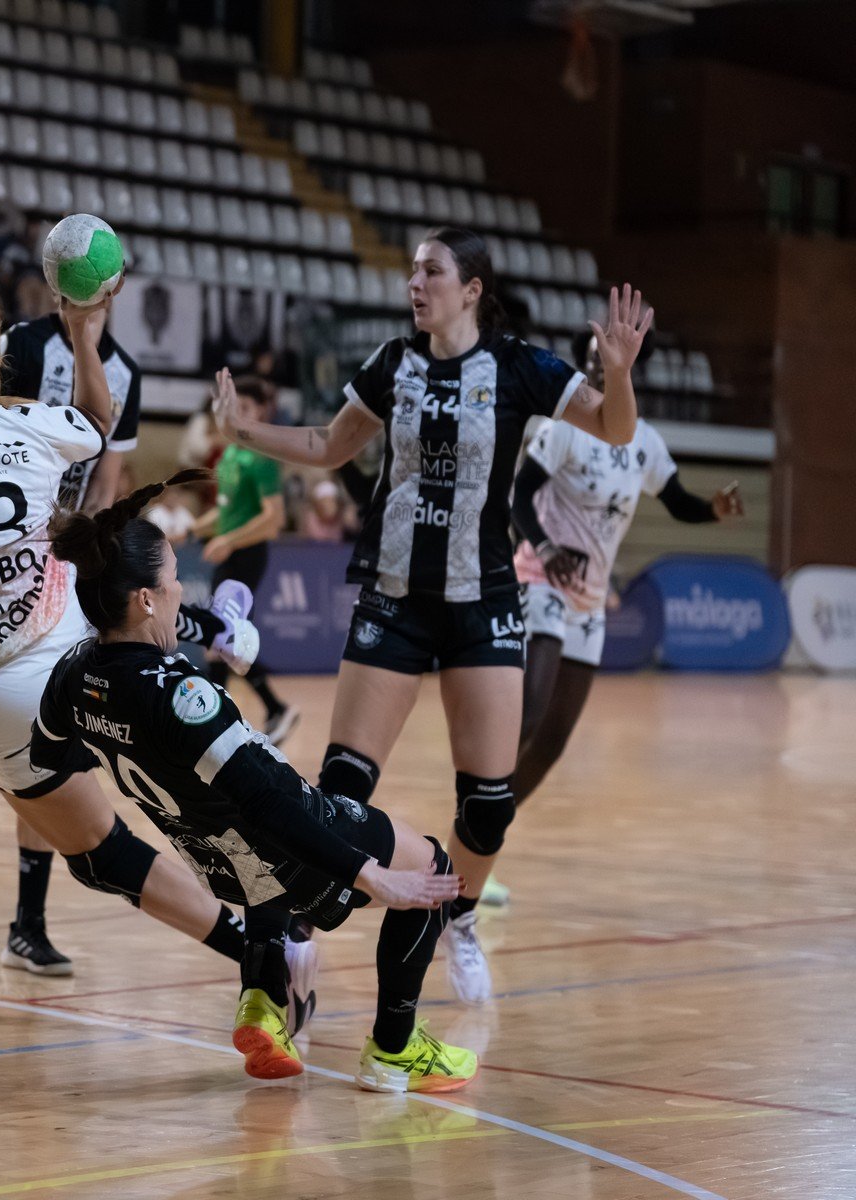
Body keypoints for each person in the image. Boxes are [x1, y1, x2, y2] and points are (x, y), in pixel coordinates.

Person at [0, 281, 301, 1012]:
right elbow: (101, 421)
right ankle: (211, 629)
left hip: (5, 691)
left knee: (101, 852)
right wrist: (83, 335)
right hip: (76, 643)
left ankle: (255, 955)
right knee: (179, 787)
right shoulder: (23, 421)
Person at [213, 227, 654, 1006]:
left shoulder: (519, 366)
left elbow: (617, 430)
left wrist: (618, 374)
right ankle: (296, 942)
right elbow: (326, 443)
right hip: (394, 595)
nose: (415, 283)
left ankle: (460, 916)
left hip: (482, 600)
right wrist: (244, 431)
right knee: (341, 791)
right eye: (413, 271)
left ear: (472, 287)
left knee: (487, 801)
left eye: (432, 271)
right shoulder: (392, 363)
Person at [39, 476, 476, 1090]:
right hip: (289, 838)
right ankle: (395, 1049)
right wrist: (371, 875)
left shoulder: (71, 676)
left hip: (215, 860)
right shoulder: (182, 696)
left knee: (251, 858)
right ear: (143, 599)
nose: (176, 588)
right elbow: (269, 804)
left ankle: (262, 999)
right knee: (429, 867)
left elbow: (44, 752)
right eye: (170, 579)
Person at [0, 285, 259, 979]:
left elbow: (105, 469)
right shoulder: (20, 343)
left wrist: (92, 551)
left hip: (67, 560)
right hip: (7, 566)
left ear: (115, 289)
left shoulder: (125, 368)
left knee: (55, 742)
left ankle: (29, 921)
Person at [507, 333, 744, 847]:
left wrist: (712, 510)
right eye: (592, 362)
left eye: (608, 364)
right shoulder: (563, 428)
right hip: (541, 577)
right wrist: (546, 549)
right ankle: (470, 817)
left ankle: (484, 834)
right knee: (528, 714)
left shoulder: (646, 442)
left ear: (628, 370)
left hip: (589, 602)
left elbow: (677, 501)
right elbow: (520, 497)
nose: (597, 372)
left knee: (552, 743)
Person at [195, 375, 297, 745]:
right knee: (221, 641)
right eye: (234, 407)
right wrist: (189, 527)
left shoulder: (260, 457)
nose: (238, 414)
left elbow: (273, 520)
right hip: (231, 552)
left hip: (247, 555)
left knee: (224, 638)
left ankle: (219, 722)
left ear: (262, 411)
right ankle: (237, 717)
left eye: (246, 408)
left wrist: (228, 539)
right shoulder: (230, 454)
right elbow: (225, 512)